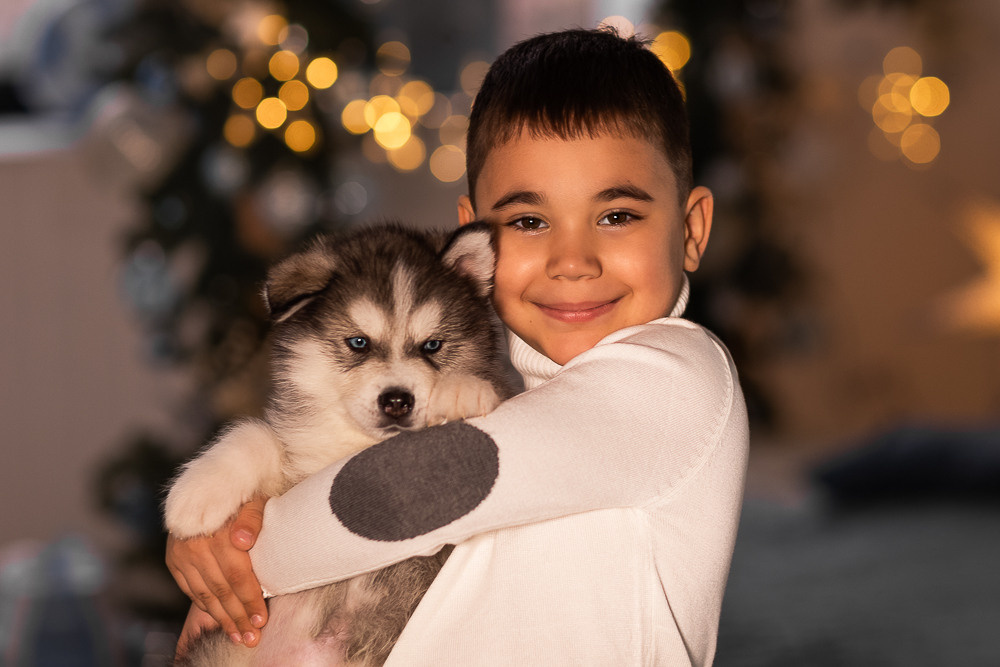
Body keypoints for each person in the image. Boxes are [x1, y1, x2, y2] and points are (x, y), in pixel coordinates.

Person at [167, 27, 749, 664]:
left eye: (617, 216)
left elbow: (403, 494)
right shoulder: (532, 404)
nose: (573, 260)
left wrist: (241, 561)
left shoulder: (675, 382)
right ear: (475, 243)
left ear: (692, 229)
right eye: (529, 221)